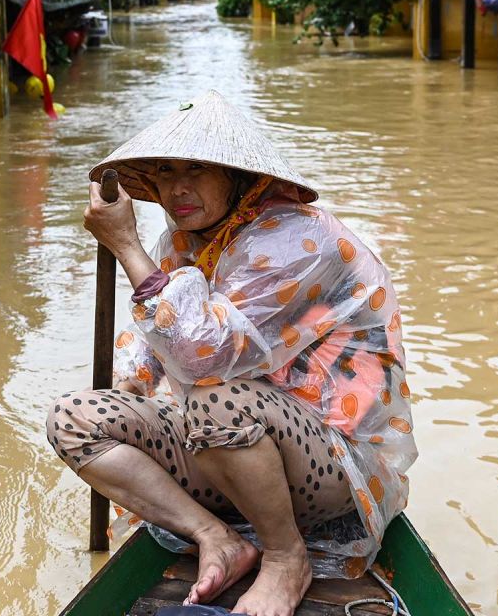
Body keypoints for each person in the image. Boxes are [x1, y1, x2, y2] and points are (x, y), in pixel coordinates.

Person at [46, 90, 417, 616]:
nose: (178, 188)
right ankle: (216, 536)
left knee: (212, 396)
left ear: (237, 175)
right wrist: (129, 387)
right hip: (231, 446)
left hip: (332, 461)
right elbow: (150, 348)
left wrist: (125, 247)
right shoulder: (185, 240)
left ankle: (287, 556)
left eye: (197, 168)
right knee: (74, 418)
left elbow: (203, 357)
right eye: (166, 172)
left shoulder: (297, 237)